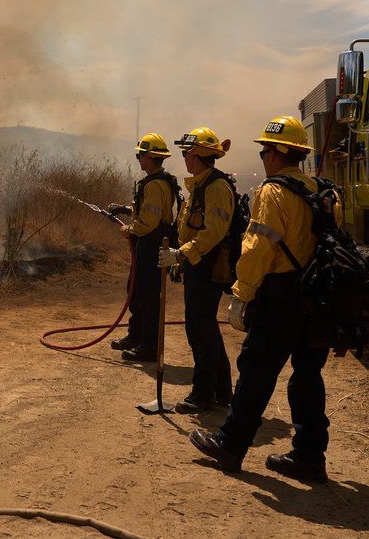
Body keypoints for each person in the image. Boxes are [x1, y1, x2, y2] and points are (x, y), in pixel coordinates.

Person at [189, 116, 339, 482]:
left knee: (256, 373)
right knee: (307, 377)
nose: (262, 156)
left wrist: (241, 295)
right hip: (317, 299)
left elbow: (257, 247)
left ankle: (229, 445)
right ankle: (309, 456)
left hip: (280, 300)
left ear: (277, 153)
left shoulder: (272, 192)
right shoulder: (326, 192)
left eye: (264, 150)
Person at [157, 127, 234, 413]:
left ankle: (203, 394)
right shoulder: (200, 185)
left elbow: (214, 231)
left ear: (199, 155)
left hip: (209, 267)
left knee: (200, 329)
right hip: (197, 264)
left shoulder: (216, 188)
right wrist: (182, 258)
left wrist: (182, 254)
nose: (184, 158)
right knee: (203, 327)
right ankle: (222, 391)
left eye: (187, 153)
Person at [109, 133, 179, 361]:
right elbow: (149, 211)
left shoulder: (156, 184)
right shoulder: (155, 181)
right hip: (148, 244)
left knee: (148, 297)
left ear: (150, 157)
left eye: (140, 155)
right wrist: (126, 209)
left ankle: (148, 346)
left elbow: (148, 222)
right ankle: (135, 336)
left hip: (152, 245)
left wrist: (127, 229)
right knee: (136, 290)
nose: (138, 159)